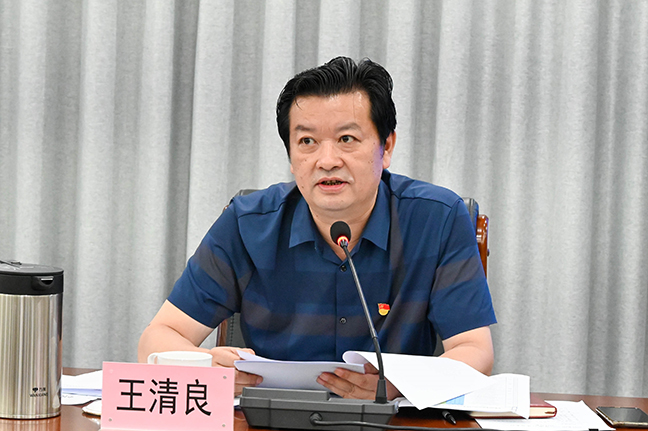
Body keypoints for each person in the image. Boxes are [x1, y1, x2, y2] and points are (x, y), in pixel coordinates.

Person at [138, 56, 496, 400]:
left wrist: (400, 384)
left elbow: (474, 350)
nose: (326, 161)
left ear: (386, 147)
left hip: (391, 420)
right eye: (307, 141)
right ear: (292, 158)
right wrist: (204, 366)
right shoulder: (247, 223)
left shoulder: (438, 219)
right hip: (272, 419)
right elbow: (158, 338)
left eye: (346, 139)